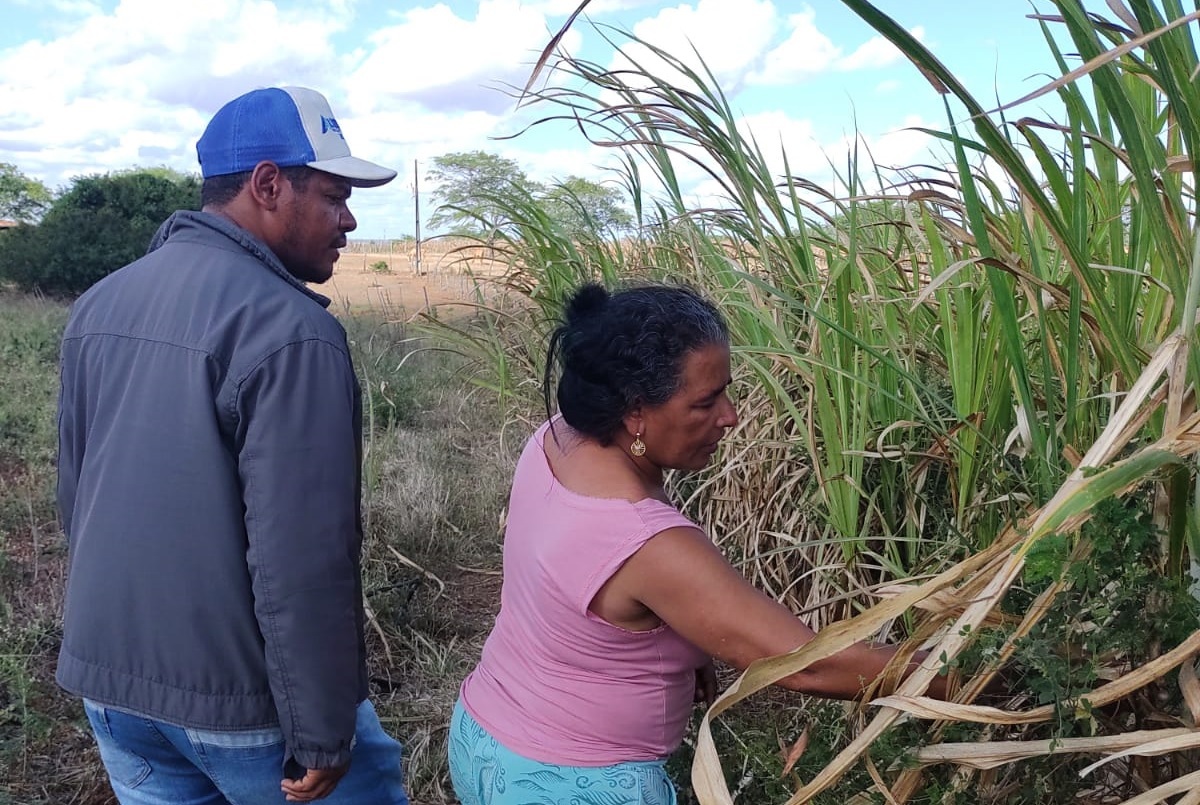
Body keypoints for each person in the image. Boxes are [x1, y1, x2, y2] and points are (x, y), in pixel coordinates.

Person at [448, 282, 950, 805]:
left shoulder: (555, 439)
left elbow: (583, 591)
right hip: (567, 785)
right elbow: (809, 665)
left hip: (483, 739)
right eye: (706, 402)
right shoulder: (647, 543)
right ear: (636, 412)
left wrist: (684, 648)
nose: (730, 416)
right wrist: (974, 675)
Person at [55, 86, 409, 804]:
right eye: (336, 195)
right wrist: (320, 730)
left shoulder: (99, 302)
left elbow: (74, 498)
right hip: (247, 711)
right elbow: (303, 556)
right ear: (269, 183)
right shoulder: (292, 329)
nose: (350, 219)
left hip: (111, 691)